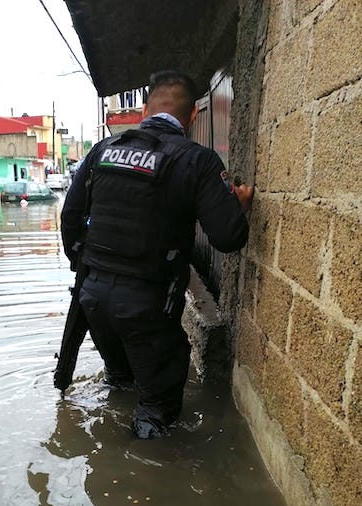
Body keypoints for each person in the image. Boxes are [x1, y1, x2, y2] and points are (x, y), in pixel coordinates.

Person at [60, 70, 253, 439]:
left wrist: (85, 269)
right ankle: (143, 467)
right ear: (193, 114)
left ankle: (106, 455)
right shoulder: (197, 160)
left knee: (119, 383)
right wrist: (237, 209)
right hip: (147, 306)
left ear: (145, 110)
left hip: (93, 298)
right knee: (157, 412)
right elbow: (228, 238)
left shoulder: (102, 150)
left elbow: (70, 218)